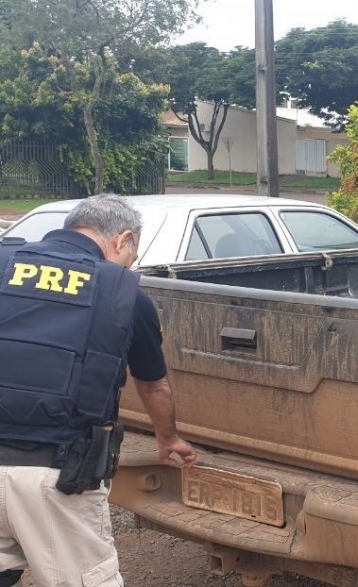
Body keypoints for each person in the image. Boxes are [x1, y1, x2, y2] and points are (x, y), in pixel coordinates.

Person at [0, 194, 196, 587]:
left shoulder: (4, 263)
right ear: (122, 240)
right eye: (132, 254)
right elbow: (153, 383)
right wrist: (168, 438)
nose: (131, 264)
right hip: (55, 472)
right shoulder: (123, 293)